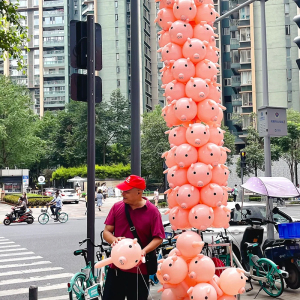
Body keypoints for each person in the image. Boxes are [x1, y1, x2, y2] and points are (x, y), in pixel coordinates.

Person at [102, 175, 165, 300]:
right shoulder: (117, 207)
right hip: (116, 268)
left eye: (127, 191)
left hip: (139, 271)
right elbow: (106, 232)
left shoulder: (152, 212)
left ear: (139, 192)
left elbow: (158, 238)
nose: (123, 193)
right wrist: (114, 240)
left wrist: (143, 251)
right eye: (123, 190)